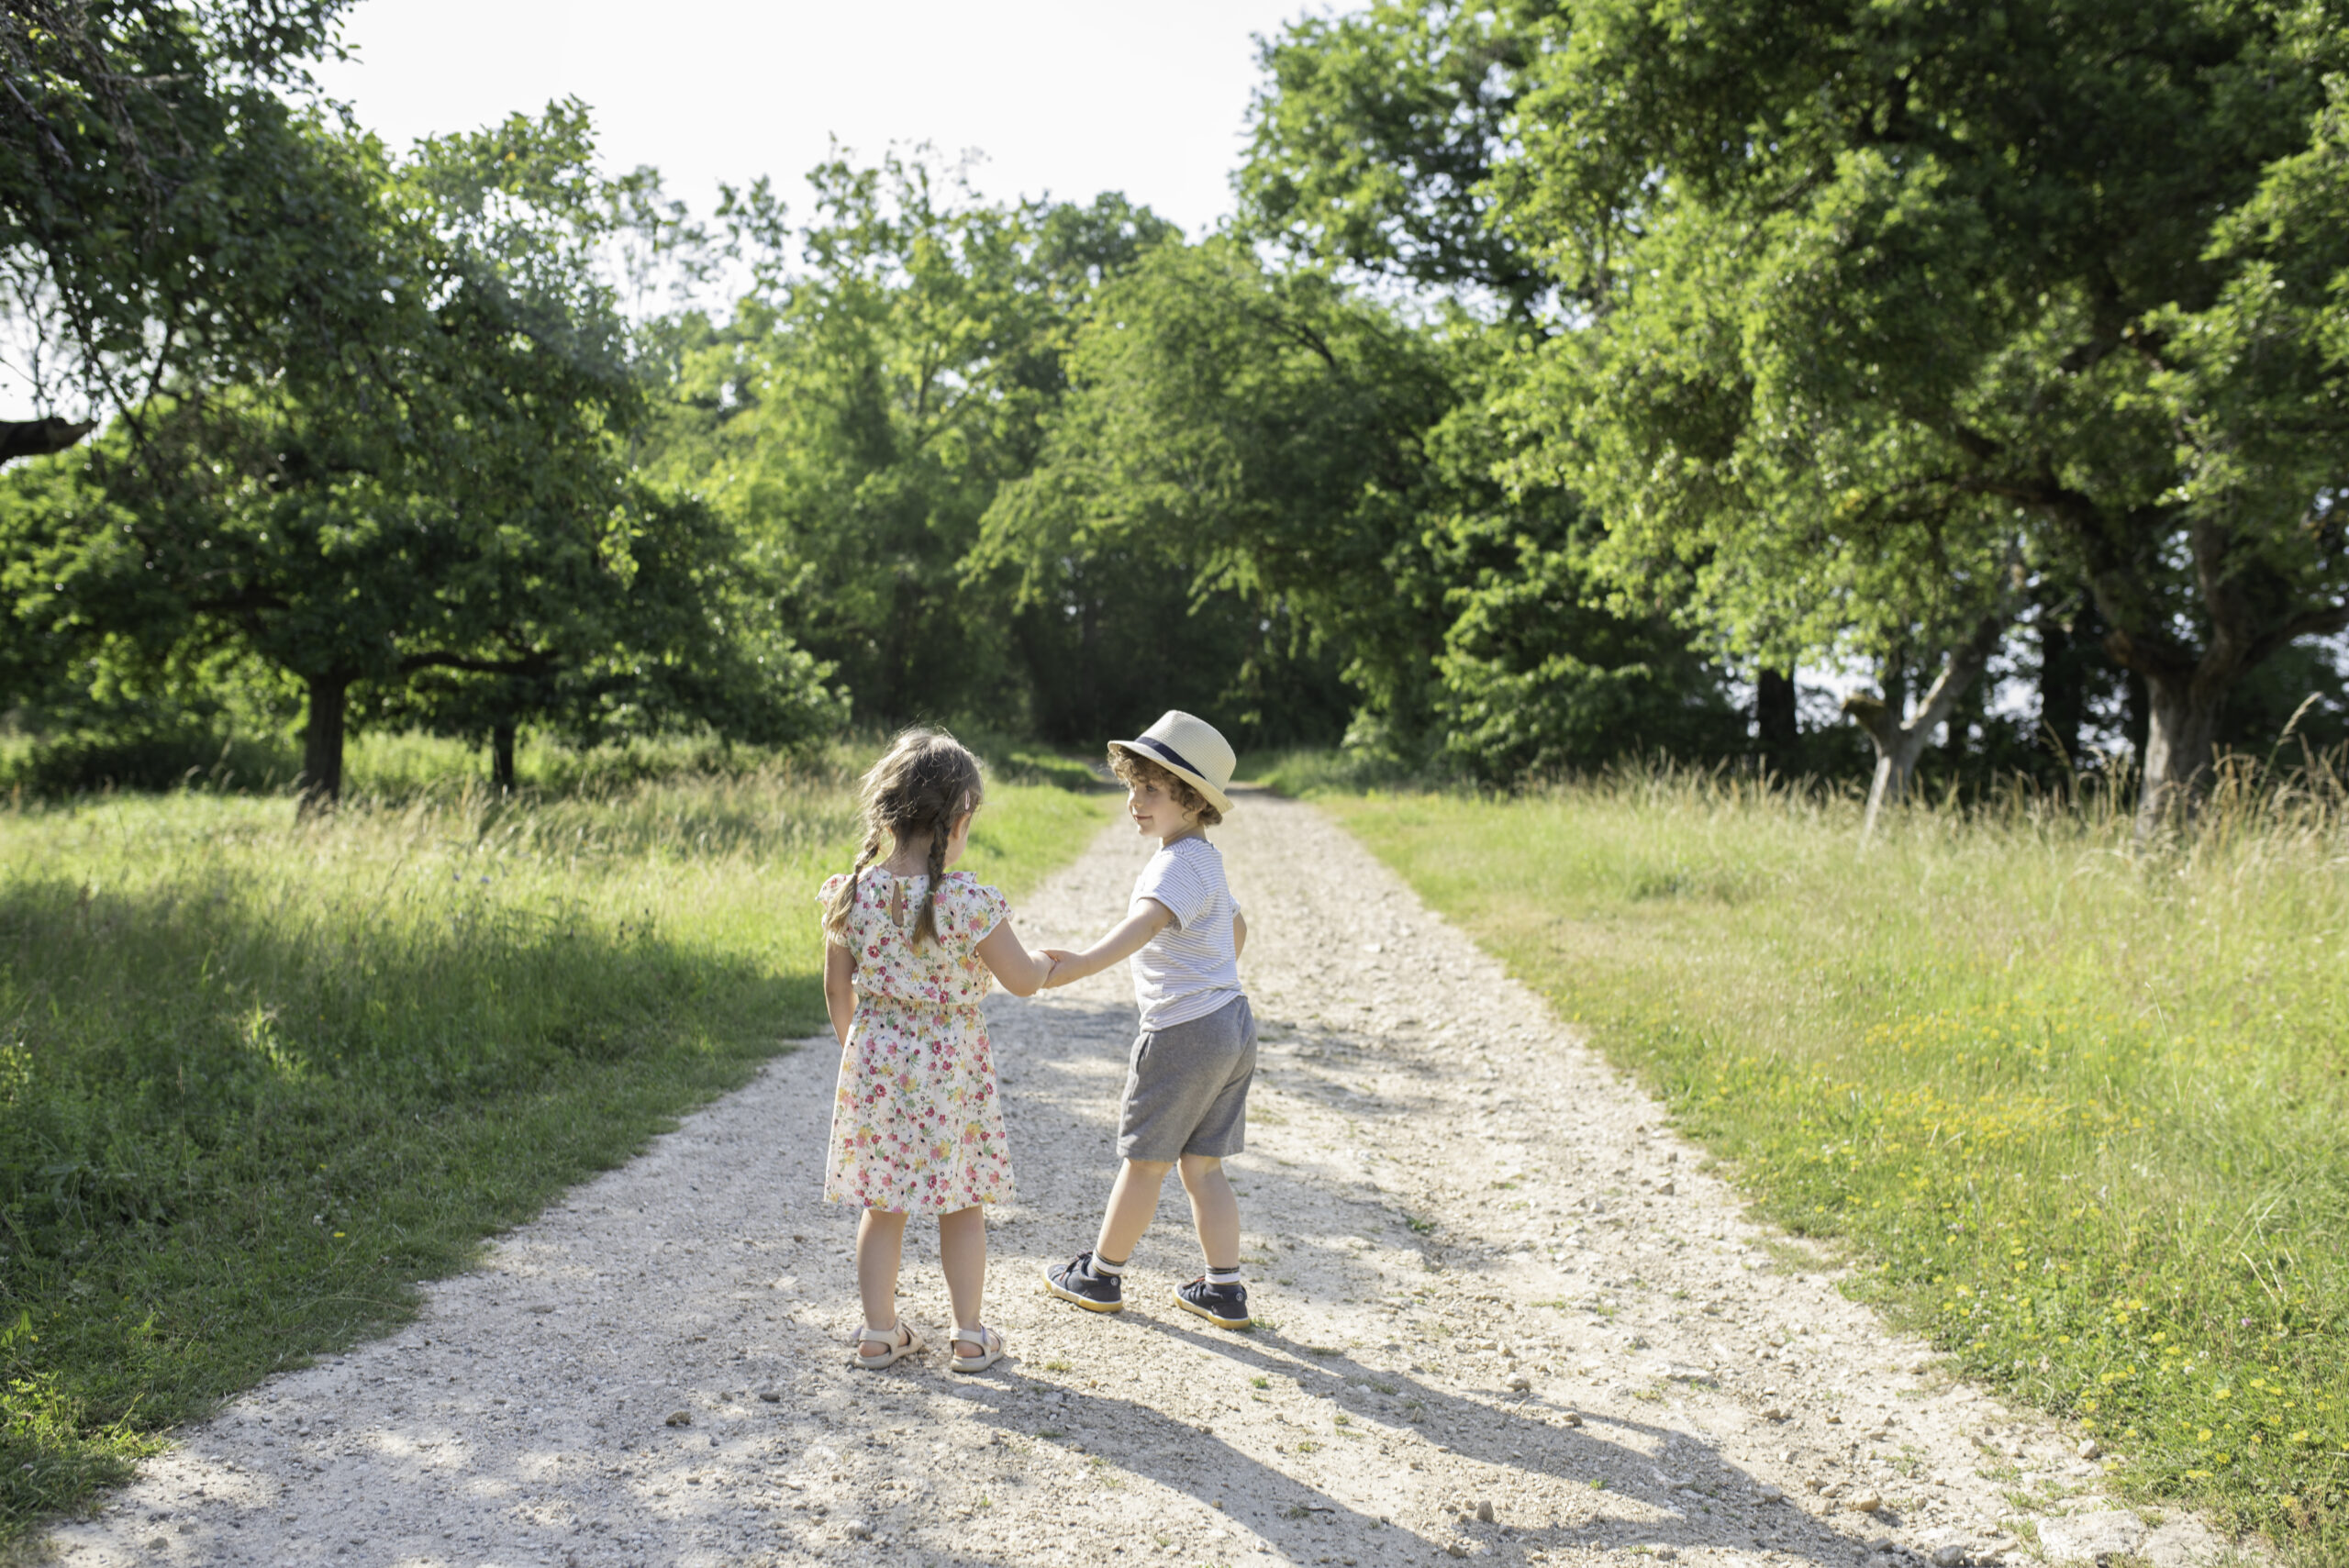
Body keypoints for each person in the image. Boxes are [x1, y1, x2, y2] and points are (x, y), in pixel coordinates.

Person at [818, 728, 1054, 1372]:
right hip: (951, 1073)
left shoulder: (852, 891)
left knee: (883, 1201)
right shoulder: (966, 901)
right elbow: (1023, 979)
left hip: (877, 1067)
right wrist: (1052, 961)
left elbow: (838, 989)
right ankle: (970, 1334)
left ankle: (877, 1330)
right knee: (962, 1199)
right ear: (961, 817)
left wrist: (858, 1056)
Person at [1040, 710, 1256, 1329]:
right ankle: (1223, 1288)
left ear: (1191, 801)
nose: (1134, 801)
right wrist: (1209, 971)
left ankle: (1101, 1274)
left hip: (1185, 1032)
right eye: (1131, 787)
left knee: (1145, 1161)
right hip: (1233, 1023)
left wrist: (1080, 963)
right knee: (1203, 1165)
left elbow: (1147, 925)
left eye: (1151, 791)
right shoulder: (1205, 859)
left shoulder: (1171, 866)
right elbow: (1236, 929)